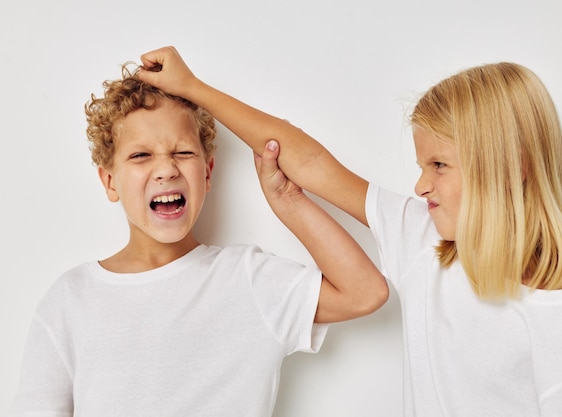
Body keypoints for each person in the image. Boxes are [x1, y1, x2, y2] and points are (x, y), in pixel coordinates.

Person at [136, 46, 562, 416]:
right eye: (421, 164)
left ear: (509, 166)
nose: (420, 184)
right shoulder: (424, 242)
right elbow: (306, 159)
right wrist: (193, 87)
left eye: (439, 164)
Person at [9, 64, 389, 417]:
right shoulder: (70, 299)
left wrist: (288, 200)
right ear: (110, 181)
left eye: (183, 152)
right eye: (141, 155)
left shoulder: (249, 280)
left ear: (207, 173)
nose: (166, 169)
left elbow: (365, 292)